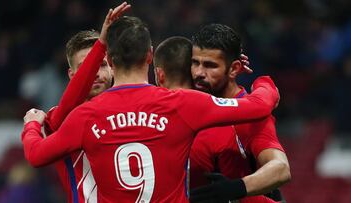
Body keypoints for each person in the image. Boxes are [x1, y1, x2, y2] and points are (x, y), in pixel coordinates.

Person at [21, 16, 279, 202]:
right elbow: (260, 105)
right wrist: (262, 81)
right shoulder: (180, 104)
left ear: (110, 61)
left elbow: (36, 155)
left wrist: (31, 123)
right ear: (149, 55)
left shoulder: (81, 118)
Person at [189, 24, 291, 203]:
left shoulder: (251, 116)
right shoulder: (185, 105)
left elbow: (281, 168)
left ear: (234, 69)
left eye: (210, 65)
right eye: (195, 63)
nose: (199, 73)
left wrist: (235, 189)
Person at [42, 3, 130, 202]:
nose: (96, 73)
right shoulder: (60, 118)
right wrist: (101, 43)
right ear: (72, 75)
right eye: (87, 68)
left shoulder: (132, 109)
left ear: (113, 67)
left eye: (102, 64)